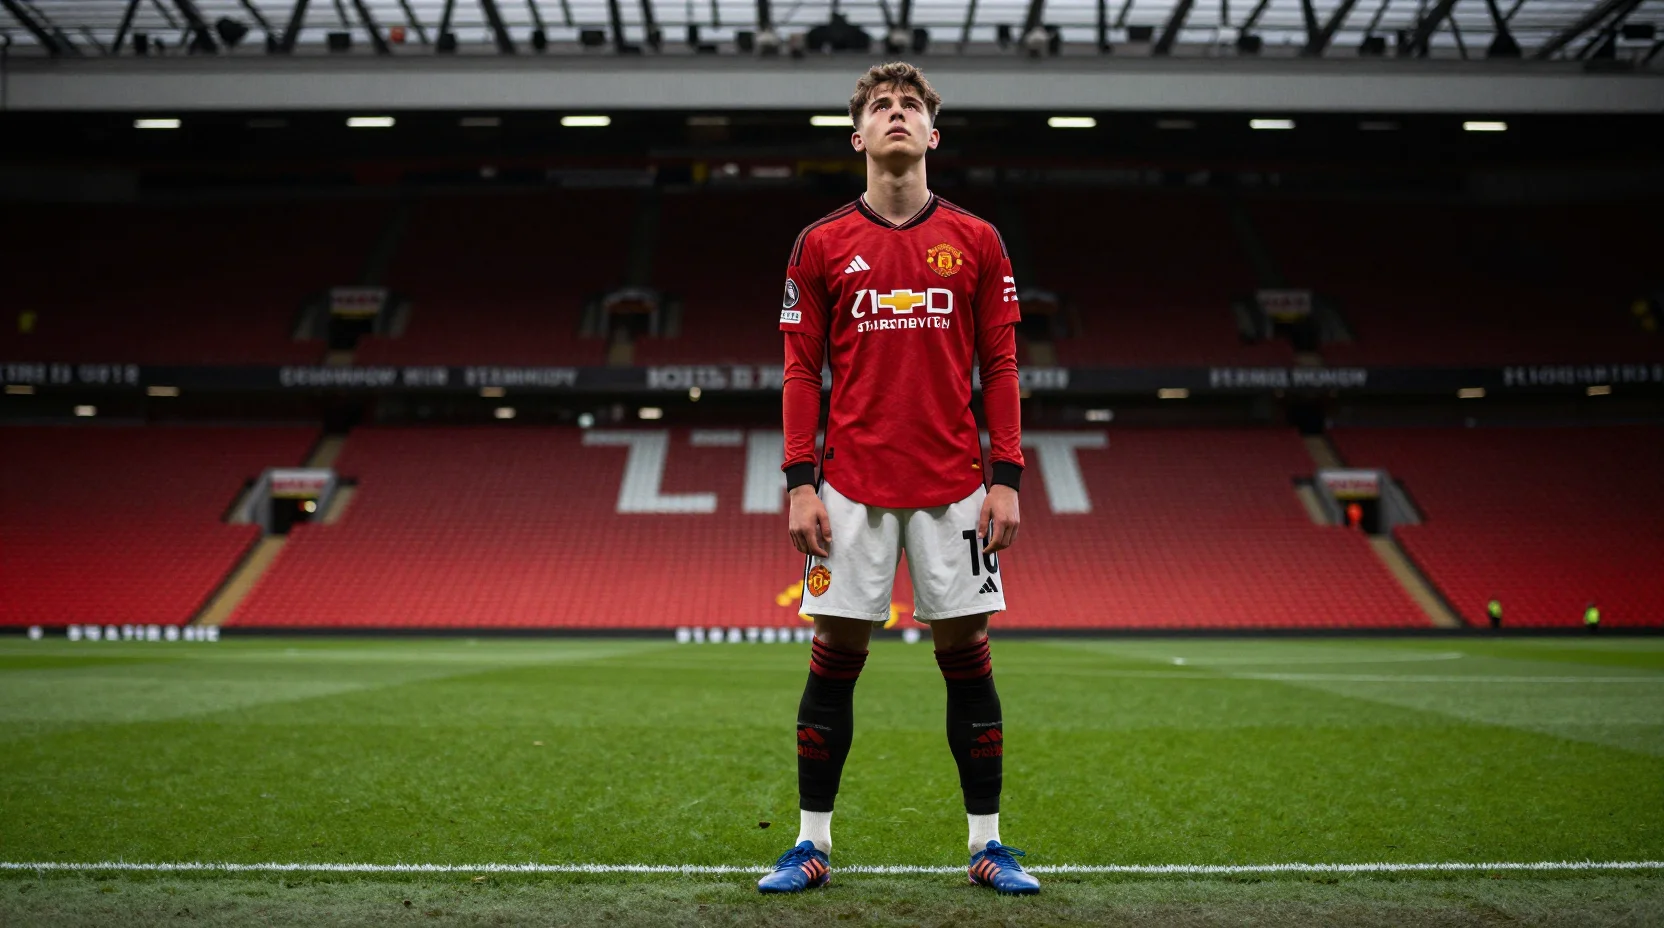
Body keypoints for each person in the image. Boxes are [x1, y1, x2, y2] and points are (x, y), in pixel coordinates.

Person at [757, 61, 1038, 897]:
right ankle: (810, 845)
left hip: (956, 483)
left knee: (967, 651)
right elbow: (799, 369)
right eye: (881, 106)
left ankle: (987, 845)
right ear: (858, 137)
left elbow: (1002, 363)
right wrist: (799, 483)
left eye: (910, 106)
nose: (896, 115)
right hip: (846, 489)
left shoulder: (979, 240)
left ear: (932, 134)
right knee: (836, 651)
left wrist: (1008, 475)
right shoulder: (819, 243)